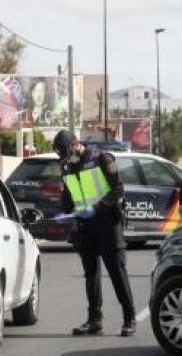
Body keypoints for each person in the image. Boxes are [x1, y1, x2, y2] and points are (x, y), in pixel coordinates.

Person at [52, 129, 136, 336]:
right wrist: (66, 212)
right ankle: (94, 320)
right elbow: (68, 199)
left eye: (66, 153)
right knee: (91, 274)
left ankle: (129, 318)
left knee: (117, 272)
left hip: (108, 224)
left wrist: (97, 208)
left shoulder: (102, 159)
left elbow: (118, 190)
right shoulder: (67, 167)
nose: (65, 159)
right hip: (85, 227)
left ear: (75, 145)